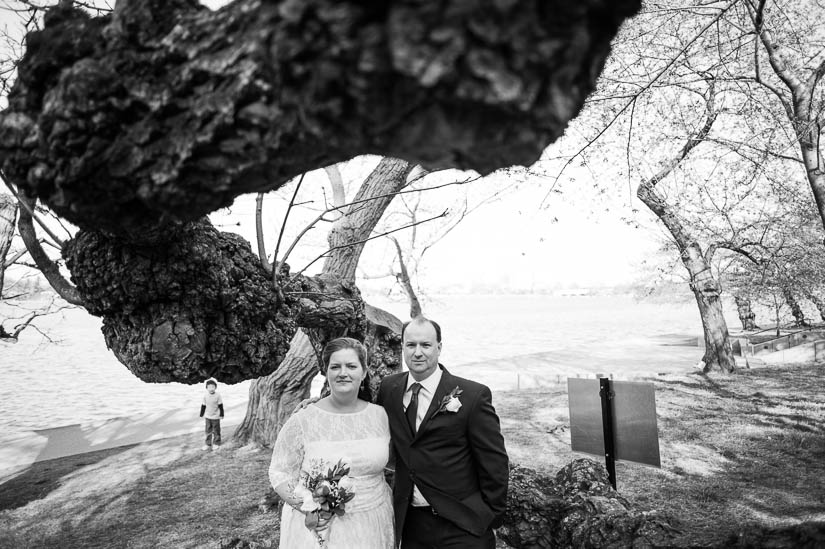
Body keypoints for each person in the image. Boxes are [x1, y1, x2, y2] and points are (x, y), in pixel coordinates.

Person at [377, 316, 509, 548]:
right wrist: (315, 405)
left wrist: (489, 516)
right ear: (403, 347)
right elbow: (361, 411)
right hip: (411, 525)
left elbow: (494, 462)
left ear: (439, 347)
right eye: (411, 345)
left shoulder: (472, 396)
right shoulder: (389, 388)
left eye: (426, 345)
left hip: (463, 525)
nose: (418, 352)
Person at [269, 337, 394, 548]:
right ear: (326, 372)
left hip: (374, 522)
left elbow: (393, 461)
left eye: (351, 366)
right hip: (319, 528)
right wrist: (309, 509)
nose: (343, 373)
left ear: (363, 372)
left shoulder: (381, 415)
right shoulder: (304, 418)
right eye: (335, 366)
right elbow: (279, 472)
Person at [200, 378, 224, 451]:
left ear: (215, 387)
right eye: (209, 387)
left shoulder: (218, 395)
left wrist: (222, 414)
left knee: (216, 431)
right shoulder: (205, 396)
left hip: (216, 416)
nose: (211, 388)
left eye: (213, 387)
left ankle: (216, 443)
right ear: (207, 388)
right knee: (208, 431)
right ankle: (208, 443)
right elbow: (203, 405)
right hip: (208, 416)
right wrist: (201, 414)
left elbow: (220, 405)